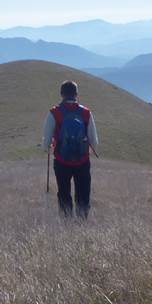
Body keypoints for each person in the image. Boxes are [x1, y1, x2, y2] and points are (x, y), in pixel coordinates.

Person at [41, 79, 98, 218]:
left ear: (61, 94)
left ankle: (66, 222)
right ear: (76, 94)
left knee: (64, 192)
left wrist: (47, 148)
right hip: (82, 161)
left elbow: (46, 141)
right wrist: (86, 152)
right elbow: (94, 140)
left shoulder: (54, 113)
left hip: (61, 161)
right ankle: (82, 222)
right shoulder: (86, 113)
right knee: (83, 192)